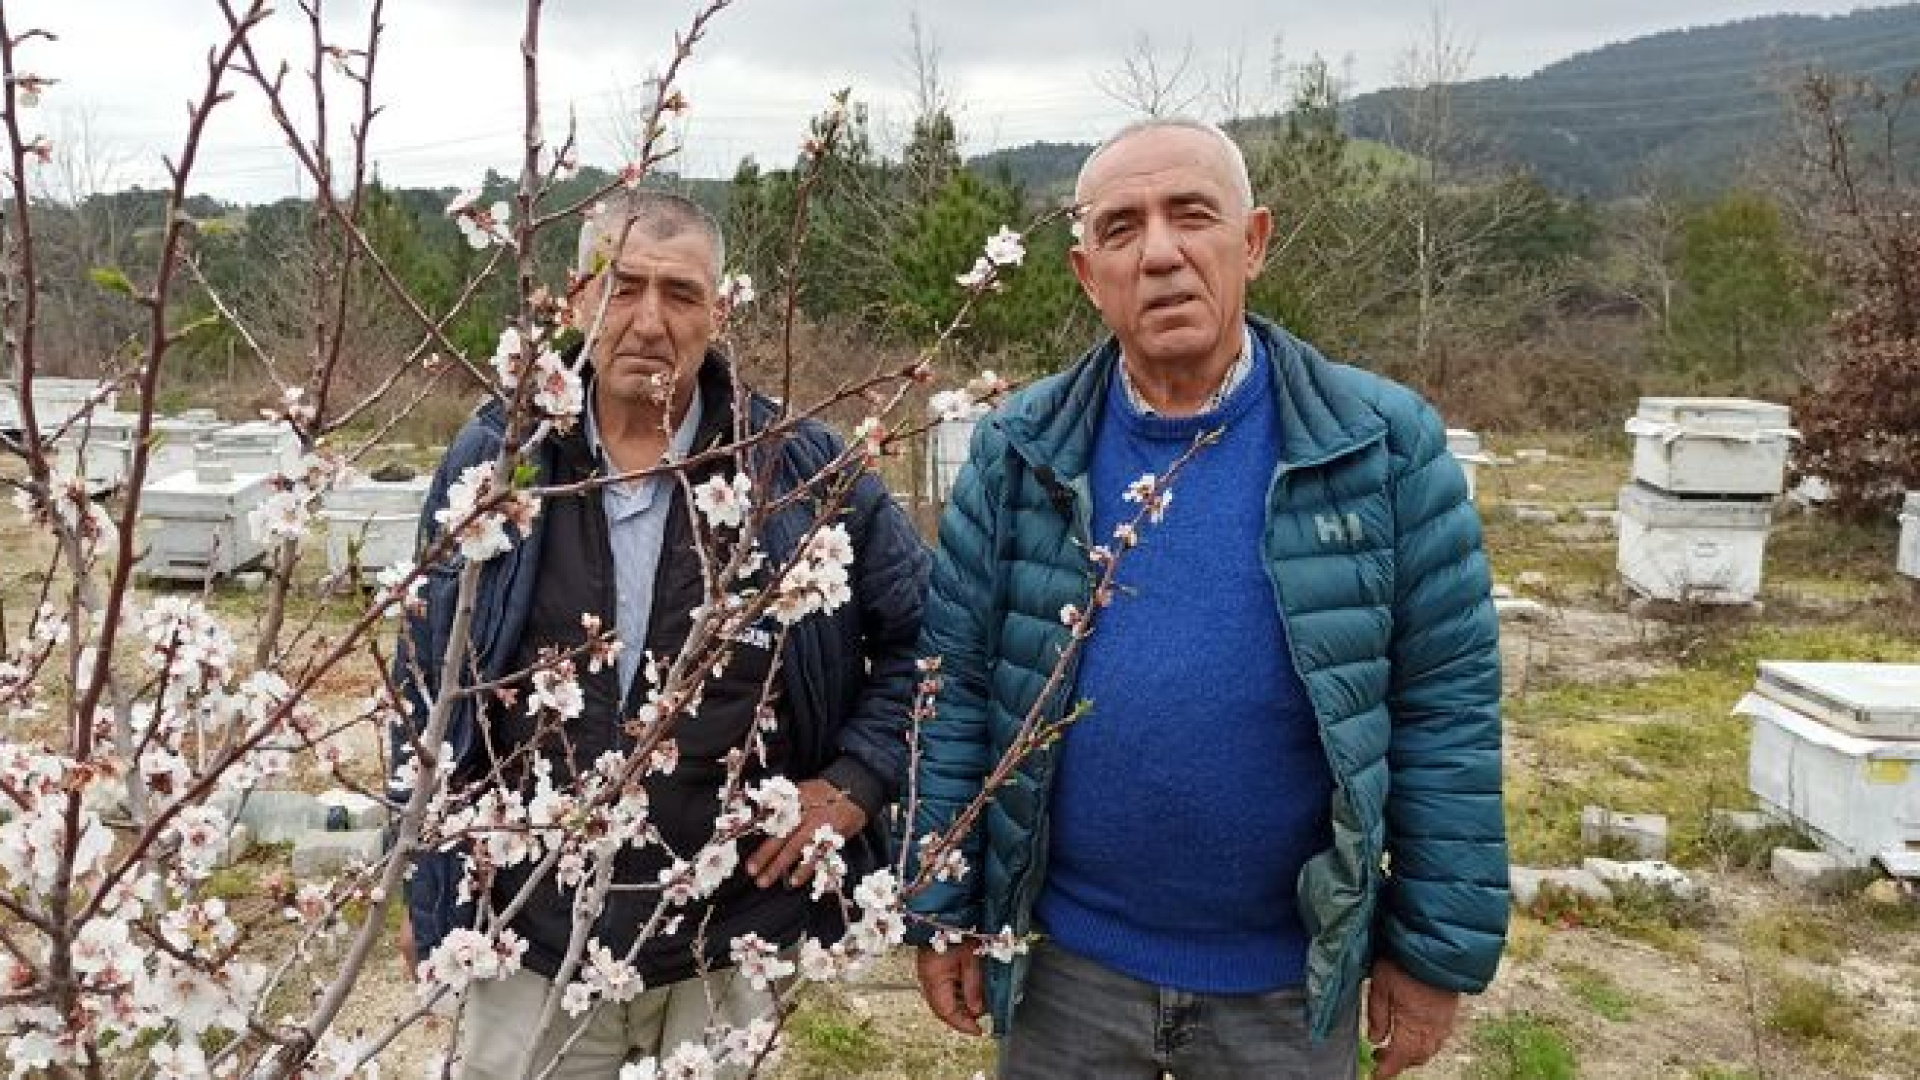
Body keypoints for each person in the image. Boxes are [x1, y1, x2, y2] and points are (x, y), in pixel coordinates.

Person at [907, 118, 1508, 1079]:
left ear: (1254, 241)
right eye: (1120, 229)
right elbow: (958, 693)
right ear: (1084, 271)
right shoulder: (1019, 454)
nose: (1159, 253)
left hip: (1287, 985)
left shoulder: (1383, 448)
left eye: (1191, 216)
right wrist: (940, 901)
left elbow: (1446, 711)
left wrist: (1434, 953)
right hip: (1067, 972)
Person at [393, 190, 928, 1078]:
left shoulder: (800, 474)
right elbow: (425, 677)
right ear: (575, 301)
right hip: (528, 927)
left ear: (718, 313)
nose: (649, 320)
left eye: (680, 295)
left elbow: (930, 639)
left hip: (727, 936)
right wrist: (418, 871)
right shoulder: (499, 461)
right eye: (622, 286)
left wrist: (859, 778)